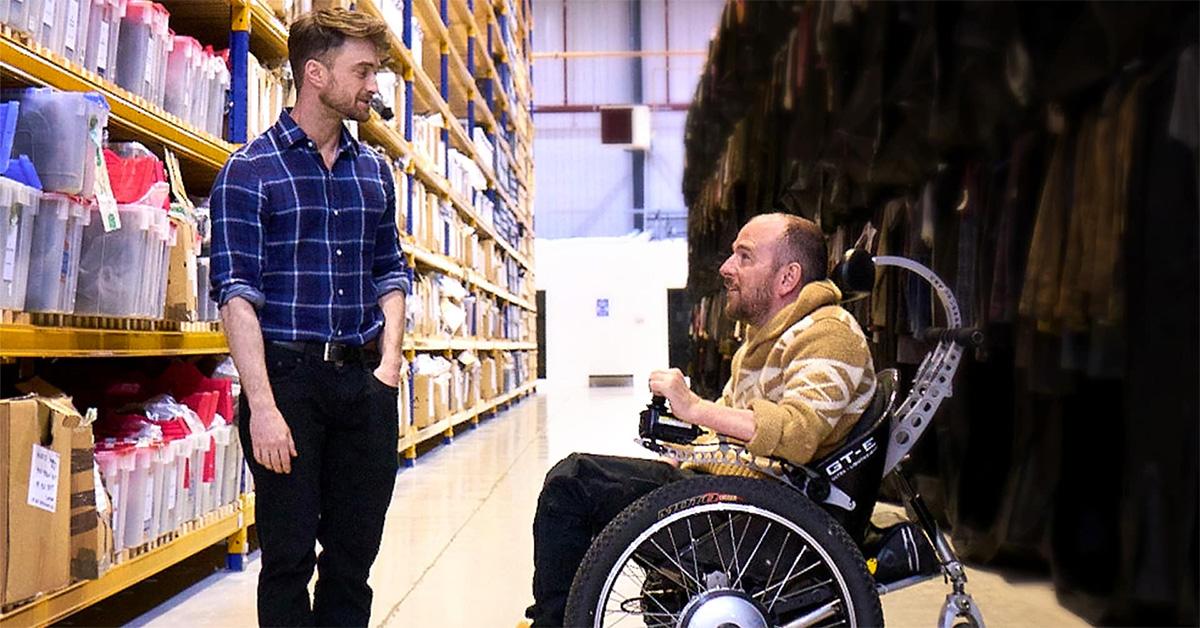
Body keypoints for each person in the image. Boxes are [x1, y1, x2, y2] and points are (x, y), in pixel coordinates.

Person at [525, 213, 877, 627]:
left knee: (573, 483)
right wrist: (684, 447)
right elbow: (728, 425)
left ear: (787, 278)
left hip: (760, 519)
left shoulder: (827, 332)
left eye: (744, 257)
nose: (727, 268)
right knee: (589, 482)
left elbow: (798, 433)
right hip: (737, 497)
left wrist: (694, 407)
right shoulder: (764, 339)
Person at [208, 9, 408, 627]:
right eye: (364, 71)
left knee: (354, 560)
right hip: (288, 384)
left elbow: (391, 273)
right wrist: (262, 406)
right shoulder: (249, 172)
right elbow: (237, 295)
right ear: (315, 74)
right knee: (289, 558)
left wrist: (390, 369)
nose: (374, 85)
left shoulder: (374, 171)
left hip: (363, 383)